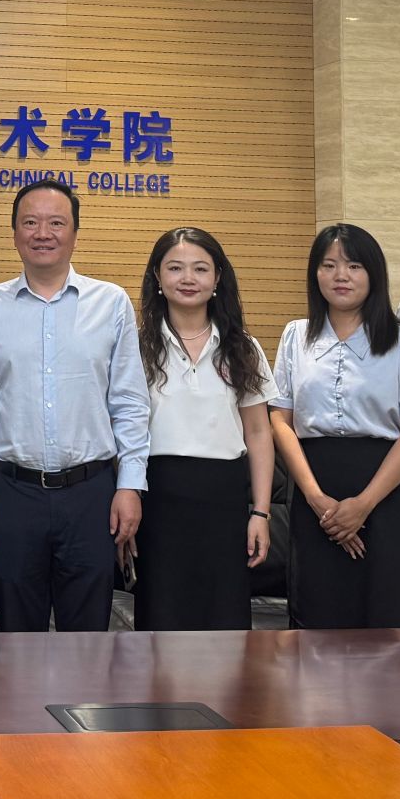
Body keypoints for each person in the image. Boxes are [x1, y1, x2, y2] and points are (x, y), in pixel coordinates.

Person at [0, 180, 148, 633]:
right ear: (15, 233)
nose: (43, 233)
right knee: (16, 634)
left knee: (87, 636)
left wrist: (130, 485)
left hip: (91, 492)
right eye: (31, 222)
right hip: (12, 492)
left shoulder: (111, 304)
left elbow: (129, 403)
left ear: (75, 234)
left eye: (56, 223)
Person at [269, 224, 400, 630]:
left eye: (353, 266)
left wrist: (363, 505)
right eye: (328, 265)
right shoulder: (296, 336)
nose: (340, 275)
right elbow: (280, 420)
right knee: (321, 613)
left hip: (387, 491)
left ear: (373, 274)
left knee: (393, 612)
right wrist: (316, 499)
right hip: (314, 487)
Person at [130, 227, 276, 631]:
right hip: (157, 499)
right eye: (175, 268)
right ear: (157, 277)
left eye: (200, 268)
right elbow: (123, 432)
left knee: (224, 624)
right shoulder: (136, 347)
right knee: (161, 622)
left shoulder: (243, 348)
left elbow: (259, 434)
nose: (188, 278)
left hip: (223, 500)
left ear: (217, 278)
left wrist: (260, 512)